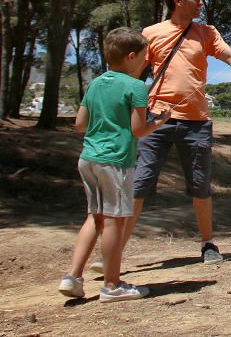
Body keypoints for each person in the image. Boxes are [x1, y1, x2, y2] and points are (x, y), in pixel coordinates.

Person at [123, 0, 231, 263]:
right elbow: (133, 74)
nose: (201, 3)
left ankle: (208, 244)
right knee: (139, 184)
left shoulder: (206, 32)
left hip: (196, 122)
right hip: (156, 119)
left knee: (200, 186)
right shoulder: (151, 33)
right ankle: (116, 251)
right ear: (178, 1)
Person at [59, 27, 169, 302]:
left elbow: (80, 124)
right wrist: (160, 121)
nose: (146, 61)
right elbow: (138, 130)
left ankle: (72, 277)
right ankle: (112, 285)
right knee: (115, 222)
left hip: (88, 159)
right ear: (131, 57)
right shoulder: (136, 87)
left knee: (94, 217)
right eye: (144, 56)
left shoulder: (95, 83)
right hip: (116, 162)